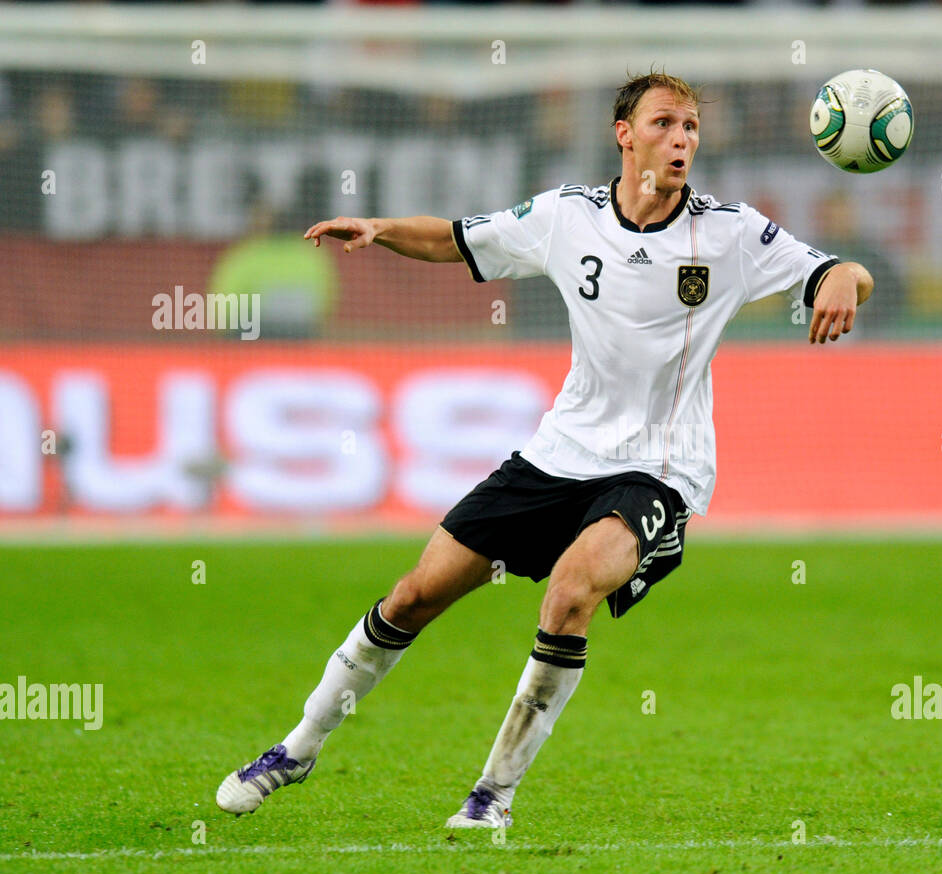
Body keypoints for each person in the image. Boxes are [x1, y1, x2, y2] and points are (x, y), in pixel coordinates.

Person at [216, 71, 873, 828]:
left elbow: (840, 269)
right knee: (413, 594)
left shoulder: (729, 233)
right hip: (561, 451)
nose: (682, 139)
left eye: (691, 127)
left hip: (660, 468)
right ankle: (295, 749)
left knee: (570, 593)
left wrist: (843, 283)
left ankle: (491, 798)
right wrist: (379, 228)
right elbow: (460, 239)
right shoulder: (567, 216)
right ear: (624, 134)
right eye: (664, 123)